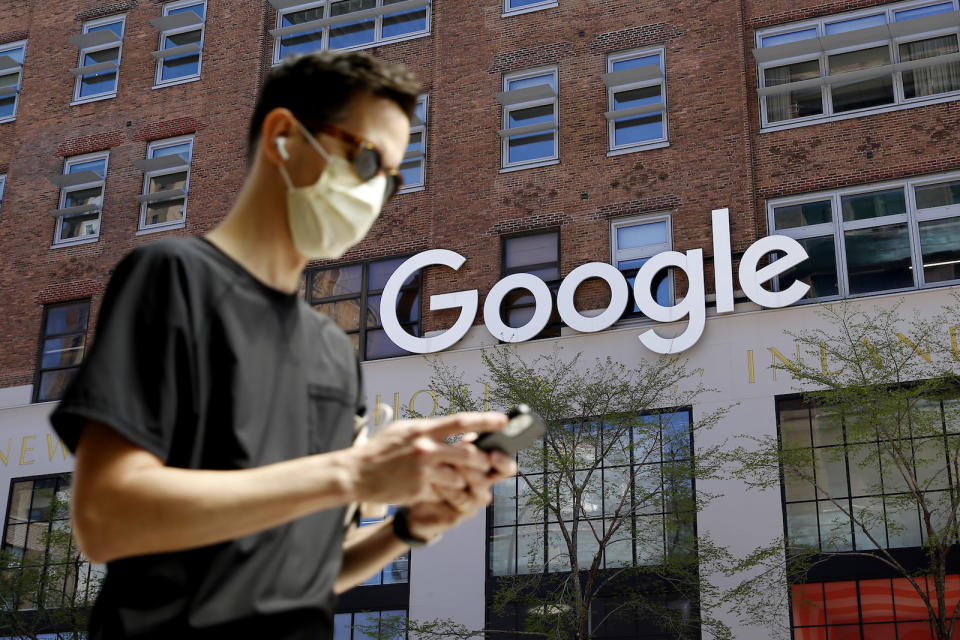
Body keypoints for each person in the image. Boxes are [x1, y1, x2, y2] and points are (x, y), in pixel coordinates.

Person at [49, 51, 517, 640]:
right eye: (367, 159)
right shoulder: (173, 276)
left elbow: (301, 575)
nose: (376, 194)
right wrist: (351, 474)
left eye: (391, 179)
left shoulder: (331, 349)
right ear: (284, 138)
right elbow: (106, 519)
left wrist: (405, 529)